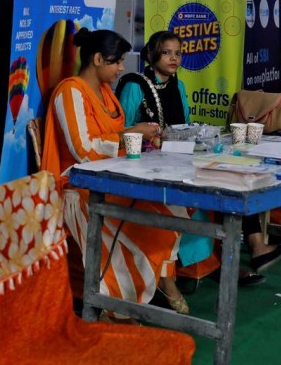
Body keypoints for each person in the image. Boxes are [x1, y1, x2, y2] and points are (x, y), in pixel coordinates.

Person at [115, 31, 281, 284]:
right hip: (148, 164)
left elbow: (186, 126)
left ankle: (256, 247)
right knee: (211, 192)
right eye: (167, 52)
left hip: (178, 156)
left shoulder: (178, 85)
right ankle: (222, 266)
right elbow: (121, 130)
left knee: (231, 176)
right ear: (152, 53)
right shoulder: (135, 84)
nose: (174, 59)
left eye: (178, 53)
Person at [41, 28, 187, 318]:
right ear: (97, 59)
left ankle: (158, 283)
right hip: (79, 186)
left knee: (173, 209)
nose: (122, 68)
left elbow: (116, 138)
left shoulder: (107, 93)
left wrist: (146, 139)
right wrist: (132, 132)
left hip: (113, 178)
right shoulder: (70, 92)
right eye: (117, 61)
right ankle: (117, 310)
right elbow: (83, 150)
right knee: (122, 239)